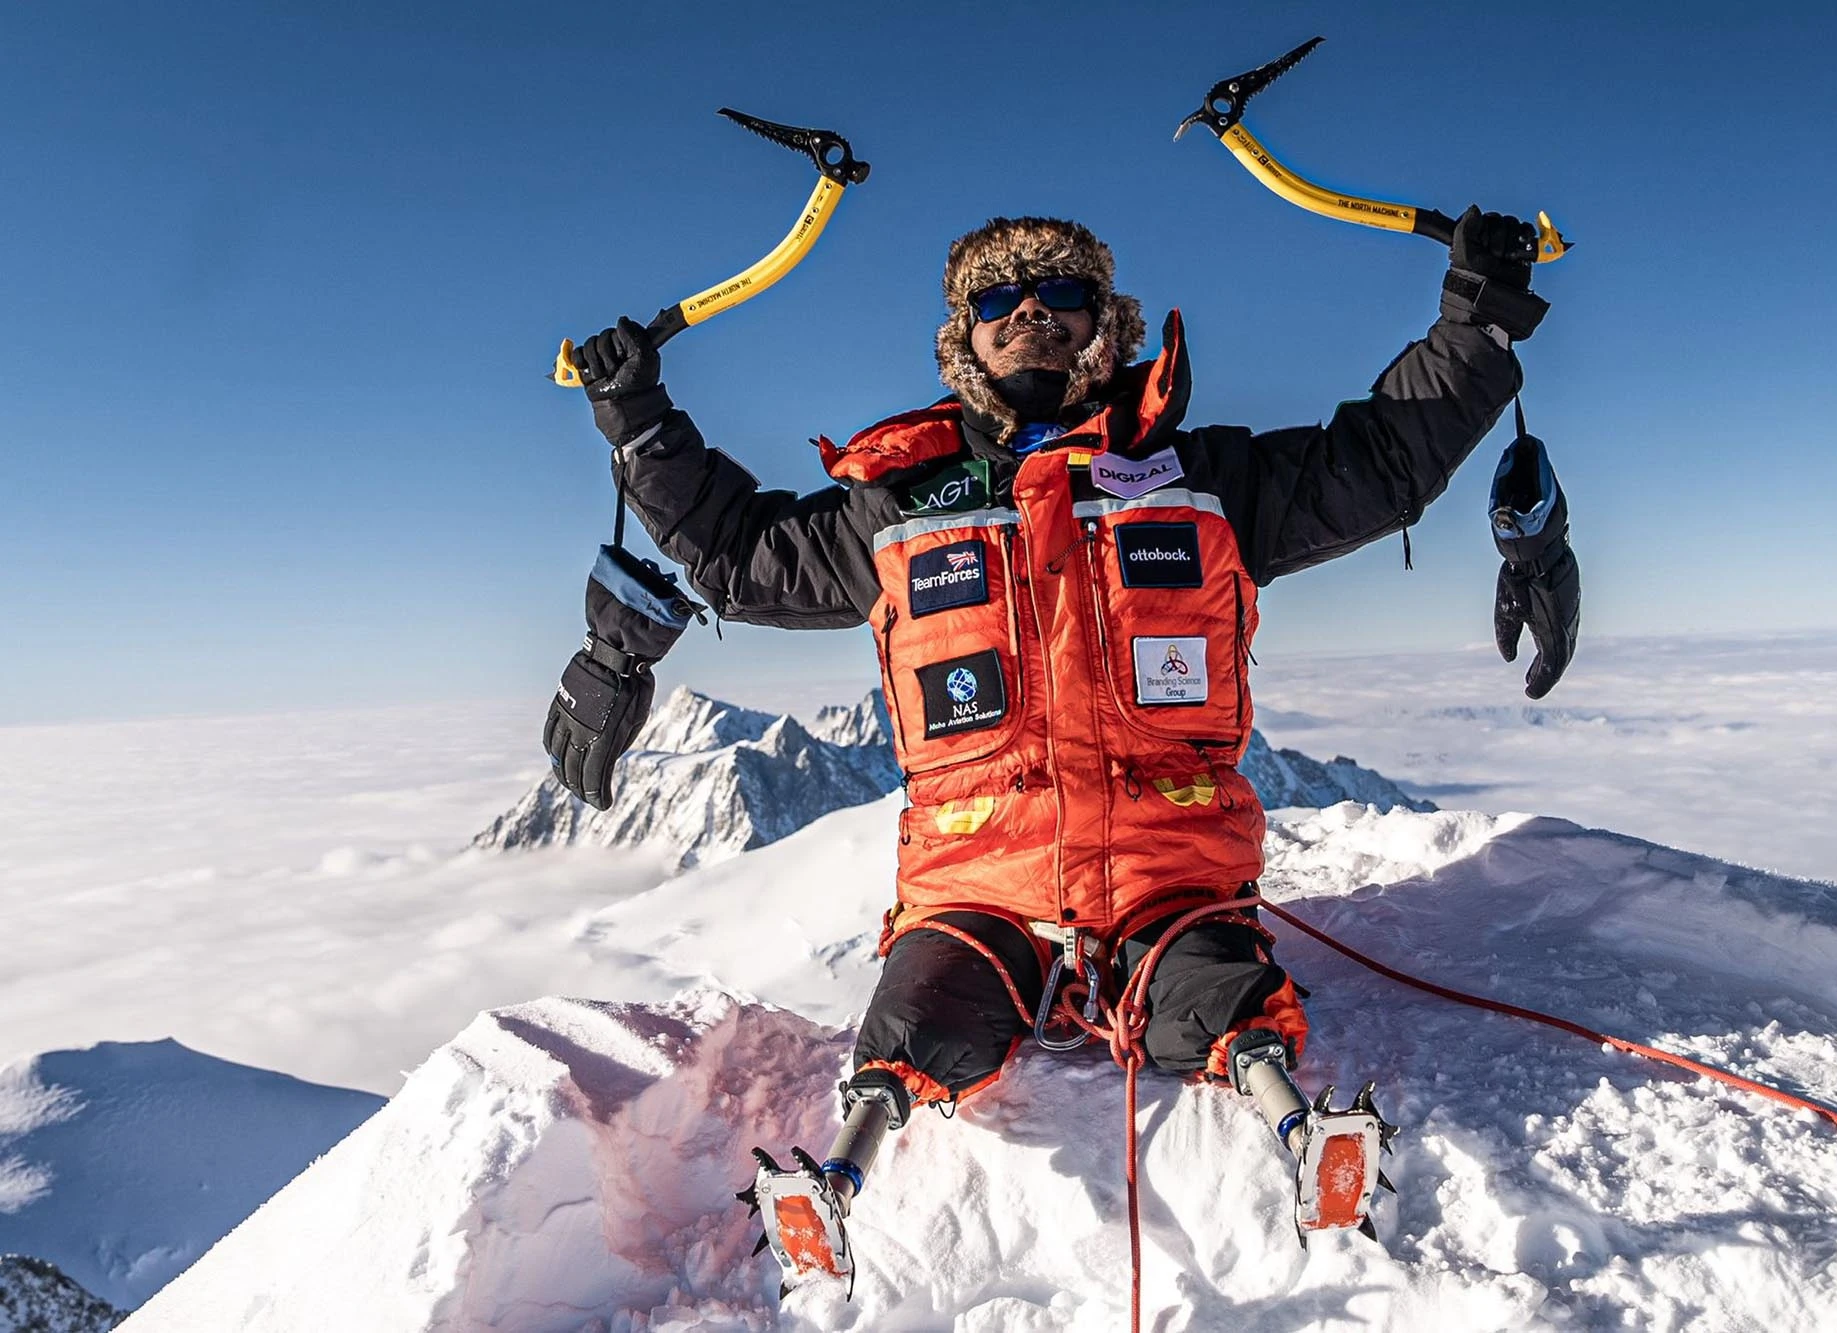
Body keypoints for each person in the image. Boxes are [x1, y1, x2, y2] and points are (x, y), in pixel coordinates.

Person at [564, 209, 1562, 1283]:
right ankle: (835, 1176)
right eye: (998, 299)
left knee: (1210, 987)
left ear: (1106, 322)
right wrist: (640, 424)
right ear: (965, 336)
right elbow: (735, 552)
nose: (1028, 311)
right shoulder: (893, 504)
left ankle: (1303, 1132)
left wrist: (1476, 321)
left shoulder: (1205, 476)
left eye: (1058, 294)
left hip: (1165, 867)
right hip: (971, 879)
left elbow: (1380, 461)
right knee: (923, 1008)